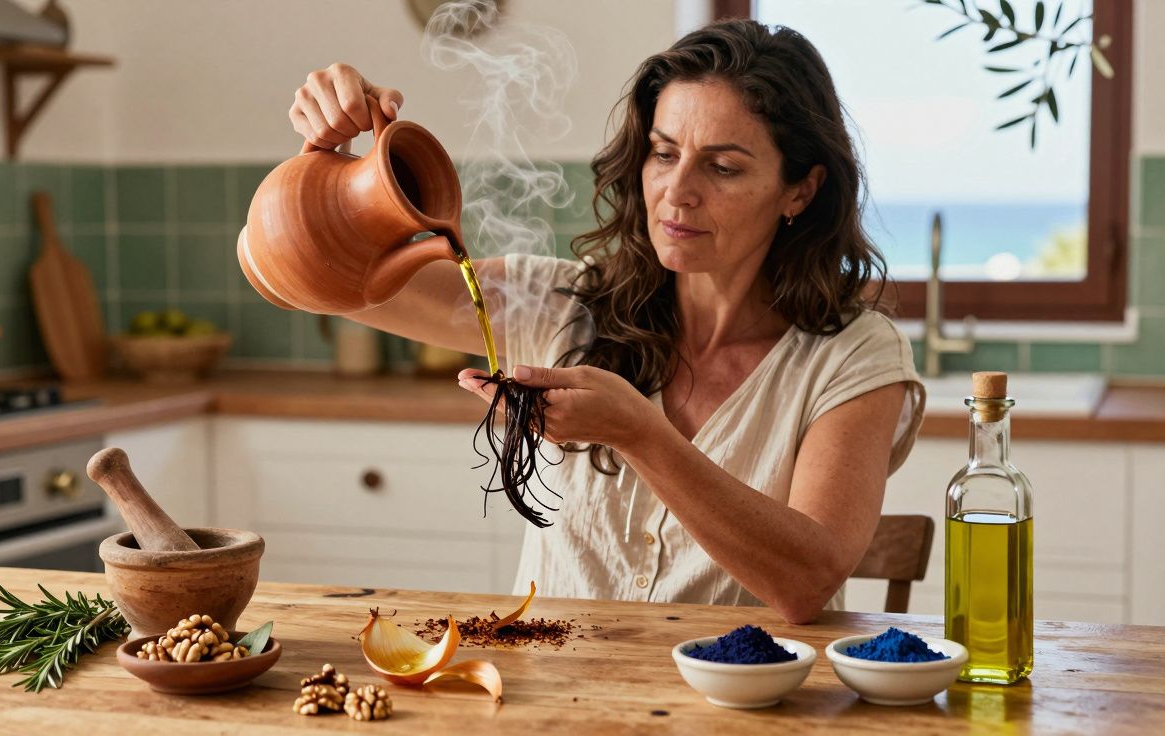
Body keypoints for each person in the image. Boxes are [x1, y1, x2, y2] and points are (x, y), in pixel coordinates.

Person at [288, 18, 924, 623]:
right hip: (555, 696)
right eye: (663, 153)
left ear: (800, 191)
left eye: (723, 167)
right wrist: (333, 160)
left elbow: (806, 582)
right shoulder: (559, 303)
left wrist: (643, 435)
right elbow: (321, 281)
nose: (677, 192)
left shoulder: (856, 356)